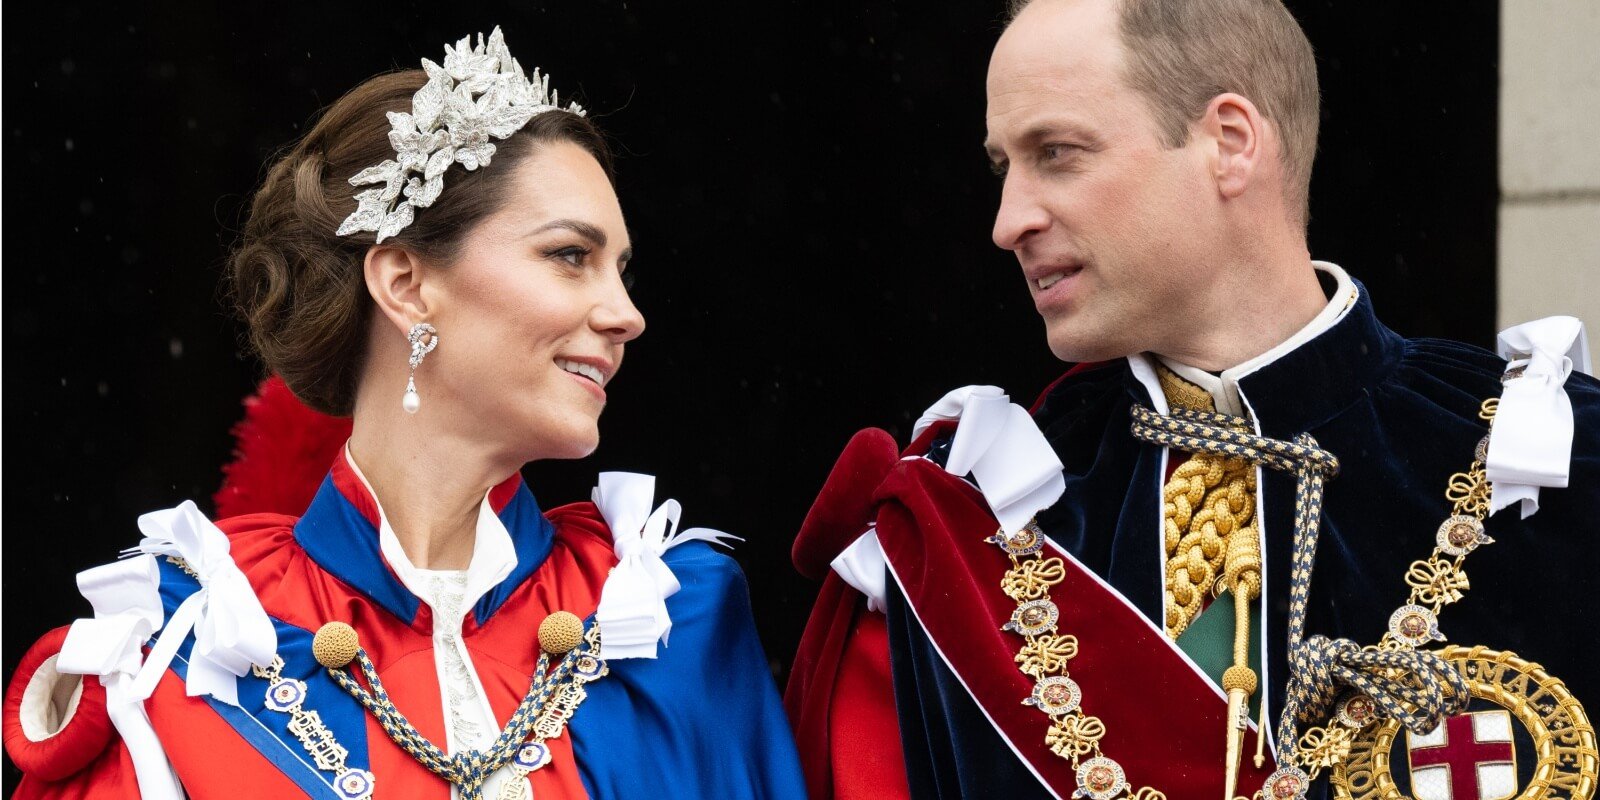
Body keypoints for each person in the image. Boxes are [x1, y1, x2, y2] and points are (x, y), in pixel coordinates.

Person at [784, 1, 1599, 798]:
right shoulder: (955, 525)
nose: (1008, 221)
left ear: (1229, 144)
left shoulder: (1568, 464)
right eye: (1006, 166)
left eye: (1058, 152)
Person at [3, 28, 805, 800]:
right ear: (406, 283)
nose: (625, 314)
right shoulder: (187, 647)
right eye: (571, 256)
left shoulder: (668, 615)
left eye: (621, 271)